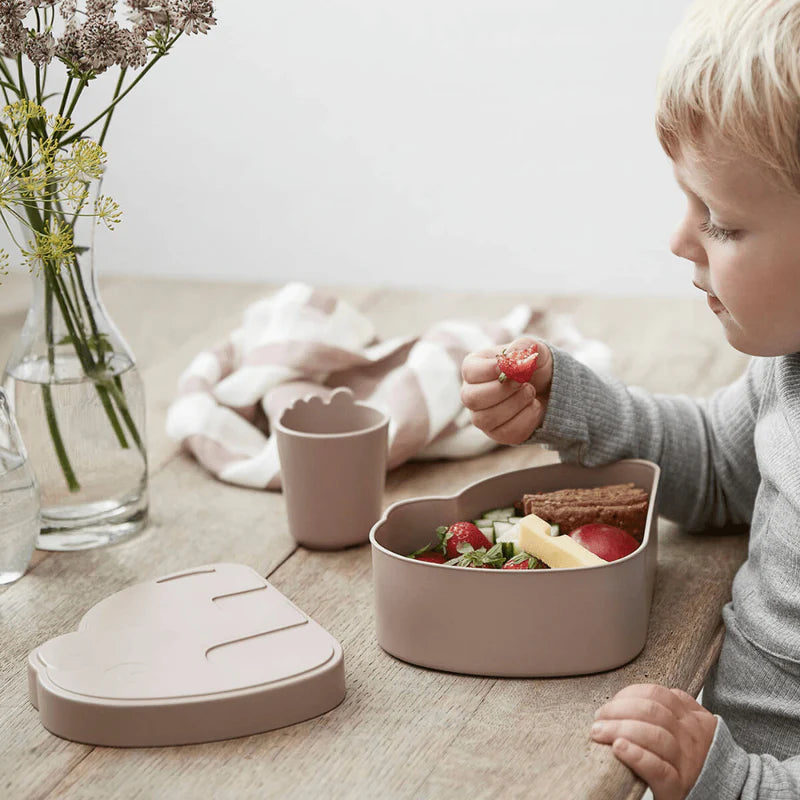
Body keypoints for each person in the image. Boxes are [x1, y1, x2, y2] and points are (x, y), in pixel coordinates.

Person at [460, 1, 800, 798]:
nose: (681, 239)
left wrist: (740, 784)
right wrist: (568, 403)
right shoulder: (791, 369)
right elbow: (720, 466)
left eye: (718, 220)